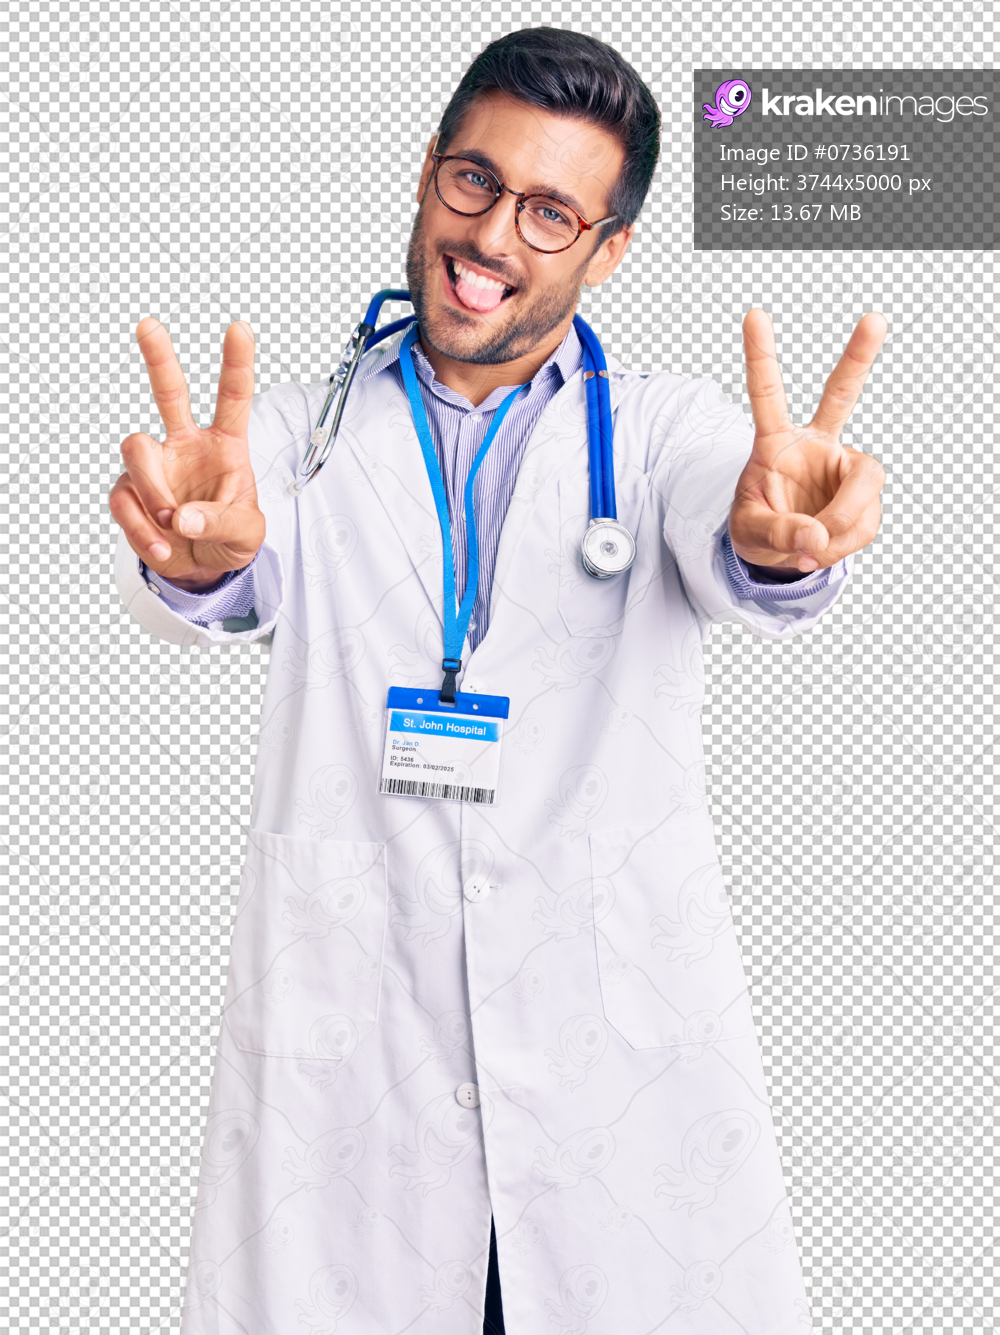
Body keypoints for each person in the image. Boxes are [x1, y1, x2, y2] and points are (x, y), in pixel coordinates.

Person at [109, 27, 886, 1335]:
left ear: (607, 249)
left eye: (551, 211)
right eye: (473, 182)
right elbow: (222, 577)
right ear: (426, 174)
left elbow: (739, 537)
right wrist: (201, 562)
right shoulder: (292, 440)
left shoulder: (665, 437)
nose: (493, 237)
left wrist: (775, 540)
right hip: (357, 1094)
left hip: (613, 1094)